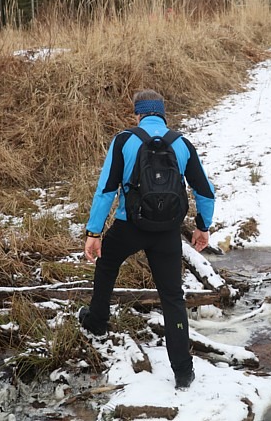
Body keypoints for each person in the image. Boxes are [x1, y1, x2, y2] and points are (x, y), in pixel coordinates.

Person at [80, 89, 215, 390]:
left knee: (107, 263)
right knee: (172, 296)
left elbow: (106, 190)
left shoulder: (124, 140)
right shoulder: (181, 143)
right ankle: (183, 370)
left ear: (138, 113)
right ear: (163, 114)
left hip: (129, 226)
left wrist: (93, 233)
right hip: (167, 231)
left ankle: (97, 322)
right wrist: (202, 227)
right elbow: (205, 190)